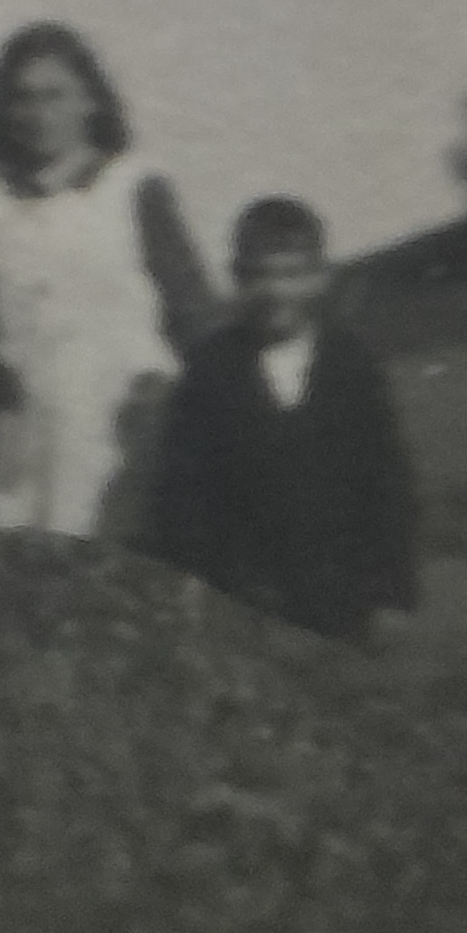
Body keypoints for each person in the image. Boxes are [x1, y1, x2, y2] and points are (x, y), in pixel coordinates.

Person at [0, 23, 212, 535]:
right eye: (23, 98)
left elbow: (195, 316)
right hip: (28, 446)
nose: (39, 114)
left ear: (91, 101)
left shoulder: (134, 189)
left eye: (55, 95)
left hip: (130, 437)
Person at [154, 195, 419, 643]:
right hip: (246, 593)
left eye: (292, 275)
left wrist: (392, 591)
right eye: (260, 275)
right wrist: (192, 576)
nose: (276, 292)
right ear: (237, 278)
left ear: (320, 278)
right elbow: (186, 489)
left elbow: (387, 481)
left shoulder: (350, 364)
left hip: (343, 593)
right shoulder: (212, 369)